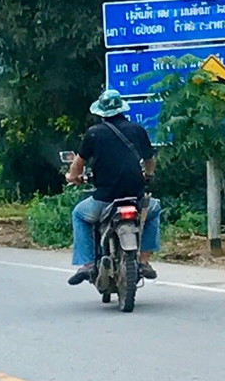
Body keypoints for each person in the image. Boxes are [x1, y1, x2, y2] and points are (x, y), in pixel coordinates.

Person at [65, 89, 161, 286]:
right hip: (135, 198)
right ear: (122, 109)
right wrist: (148, 175)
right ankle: (143, 261)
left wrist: (72, 177)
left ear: (101, 113)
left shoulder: (93, 133)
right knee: (154, 210)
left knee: (79, 215)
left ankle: (88, 264)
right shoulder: (137, 130)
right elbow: (150, 159)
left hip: (105, 199)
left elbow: (79, 162)